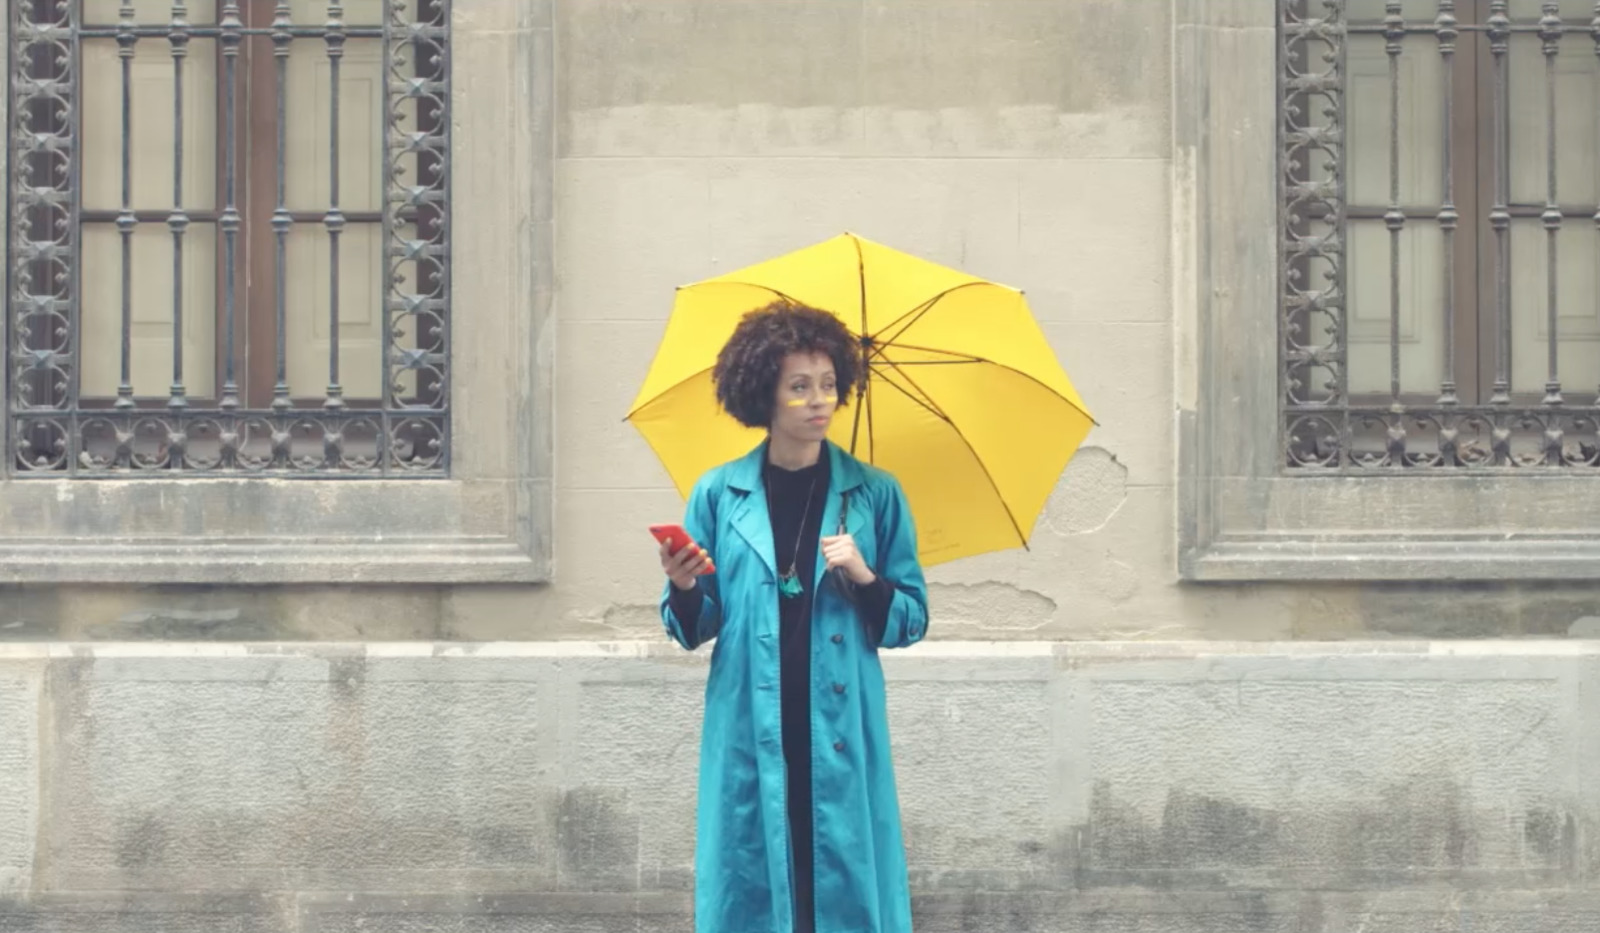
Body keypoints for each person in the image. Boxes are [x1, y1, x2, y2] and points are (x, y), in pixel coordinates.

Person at [657, 299, 930, 933]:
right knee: (752, 867)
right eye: (800, 387)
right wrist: (684, 588)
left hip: (840, 716)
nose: (819, 401)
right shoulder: (718, 493)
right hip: (752, 715)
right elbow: (695, 627)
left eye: (830, 385)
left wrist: (864, 577)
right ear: (763, 395)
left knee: (841, 870)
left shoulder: (875, 492)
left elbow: (912, 620)